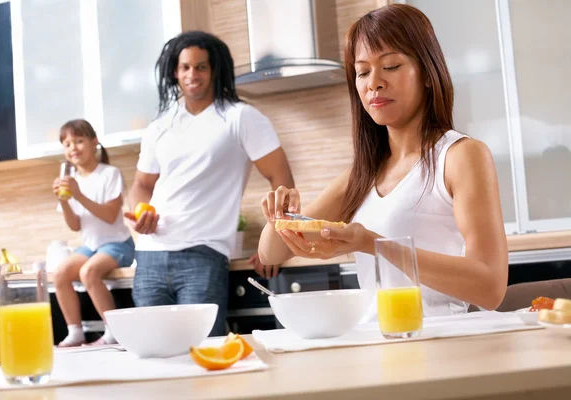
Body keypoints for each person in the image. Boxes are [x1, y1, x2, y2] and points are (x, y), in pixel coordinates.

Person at [258, 4, 509, 319]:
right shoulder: (363, 175)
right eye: (362, 71)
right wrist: (283, 217)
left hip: (442, 345)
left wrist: (371, 243)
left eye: (390, 66)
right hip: (377, 349)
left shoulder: (459, 156)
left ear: (428, 74)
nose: (373, 82)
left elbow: (490, 288)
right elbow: (271, 252)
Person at [125, 31, 294, 336]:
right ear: (174, 72)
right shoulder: (160, 126)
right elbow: (140, 184)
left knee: (202, 354)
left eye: (201, 67)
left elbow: (281, 179)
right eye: (185, 67)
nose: (193, 74)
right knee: (153, 358)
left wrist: (276, 241)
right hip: (149, 257)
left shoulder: (241, 118)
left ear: (215, 70)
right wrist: (141, 211)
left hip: (203, 257)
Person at [52, 119, 135, 346]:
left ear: (94, 142)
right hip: (90, 246)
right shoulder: (72, 182)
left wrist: (78, 195)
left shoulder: (110, 174)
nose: (73, 148)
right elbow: (75, 226)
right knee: (59, 274)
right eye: (67, 144)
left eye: (79, 141)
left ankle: (112, 332)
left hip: (118, 244)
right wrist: (65, 201)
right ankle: (75, 332)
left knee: (89, 272)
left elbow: (109, 216)